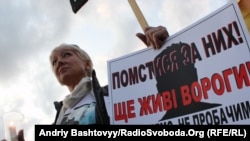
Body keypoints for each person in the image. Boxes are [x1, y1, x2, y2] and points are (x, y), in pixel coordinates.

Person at [0, 25, 168, 141]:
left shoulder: (114, 94)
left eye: (66, 55)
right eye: (54, 62)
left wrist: (161, 53)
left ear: (87, 63)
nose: (59, 62)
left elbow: (163, 97)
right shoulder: (59, 117)